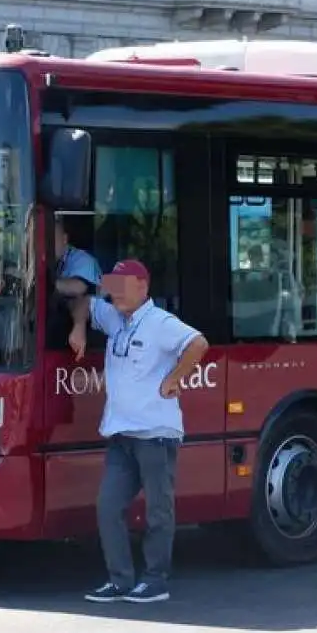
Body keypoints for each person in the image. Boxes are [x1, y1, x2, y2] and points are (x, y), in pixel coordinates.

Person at [69, 259, 208, 604]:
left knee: (158, 510)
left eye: (121, 284)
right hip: (121, 434)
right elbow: (83, 302)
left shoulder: (160, 323)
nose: (113, 292)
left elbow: (198, 344)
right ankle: (120, 580)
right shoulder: (116, 317)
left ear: (142, 286)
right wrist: (79, 327)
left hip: (156, 435)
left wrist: (174, 379)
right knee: (107, 507)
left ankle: (155, 580)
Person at [54, 215, 101, 296]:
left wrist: (48, 285)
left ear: (64, 239)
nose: (46, 245)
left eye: (51, 239)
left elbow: (79, 287)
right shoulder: (55, 263)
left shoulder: (83, 259)